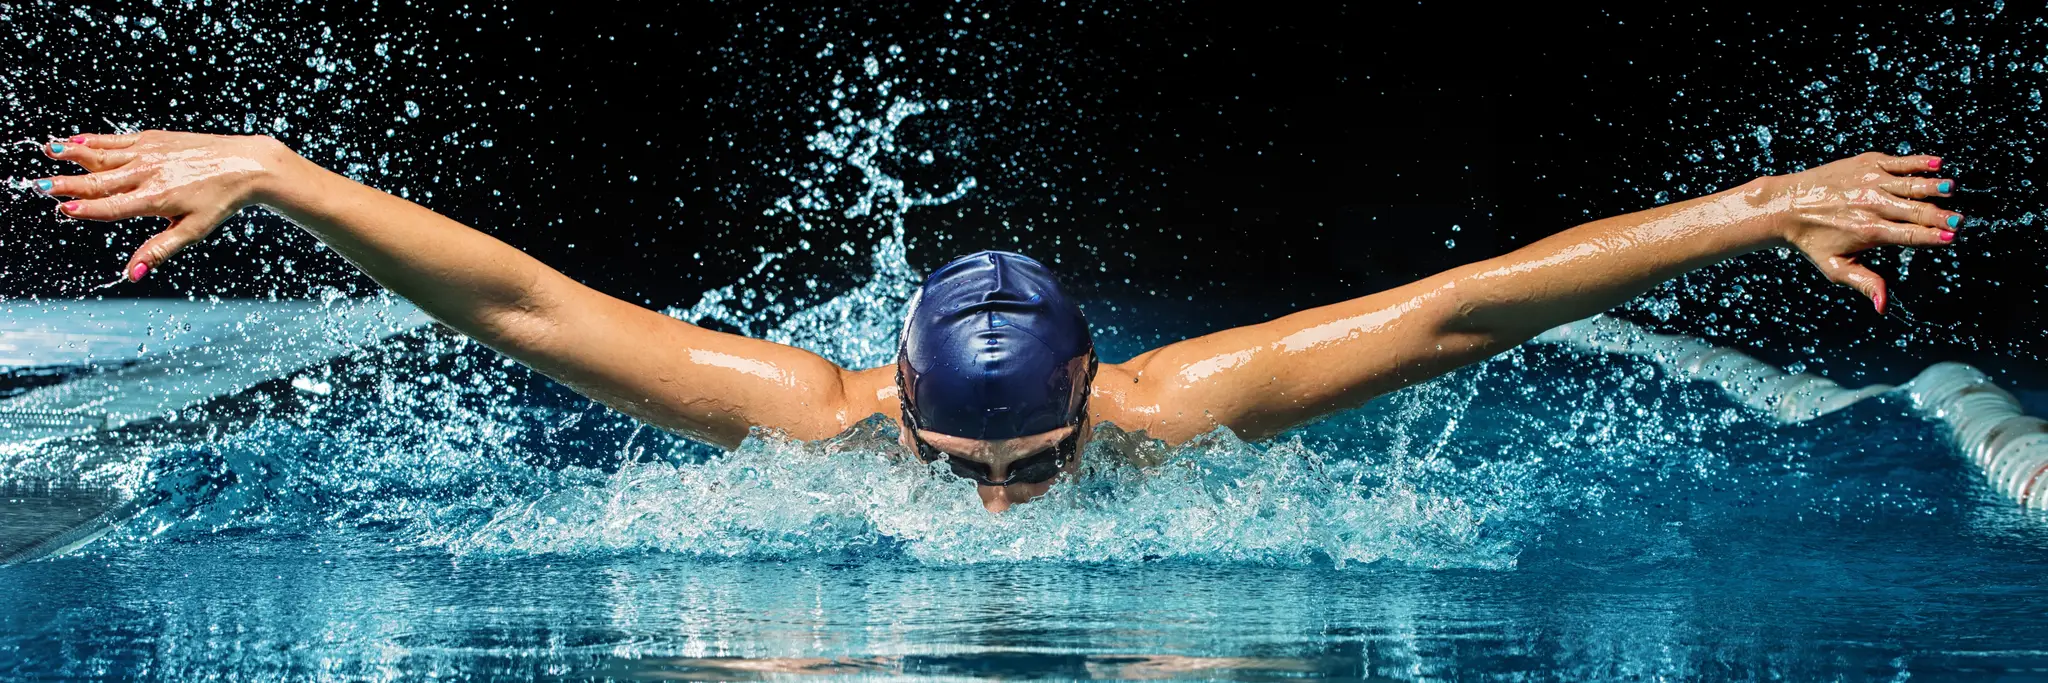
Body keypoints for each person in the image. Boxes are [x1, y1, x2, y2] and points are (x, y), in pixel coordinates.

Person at [29, 131, 1961, 512]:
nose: (1003, 508)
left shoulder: (1188, 411)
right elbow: (526, 303)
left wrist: (1758, 204)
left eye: (1035, 462)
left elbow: (1465, 307)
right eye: (958, 468)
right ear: (896, 403)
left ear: (1095, 391)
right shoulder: (801, 414)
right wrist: (281, 171)